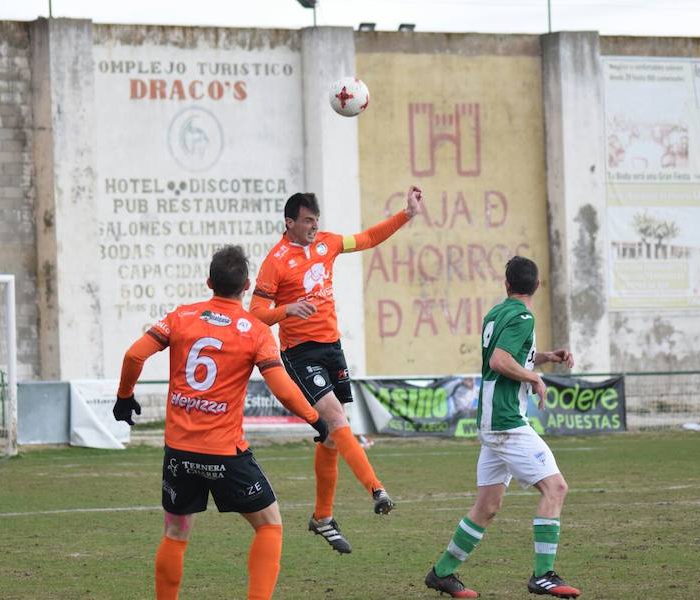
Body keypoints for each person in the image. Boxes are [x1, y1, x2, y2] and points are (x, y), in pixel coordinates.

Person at [113, 245, 329, 600]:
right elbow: (281, 388)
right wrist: (314, 419)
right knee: (270, 525)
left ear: (209, 281)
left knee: (176, 533)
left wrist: (124, 395)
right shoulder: (256, 331)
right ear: (246, 286)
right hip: (225, 454)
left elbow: (134, 354)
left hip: (179, 451)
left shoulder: (181, 317)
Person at [249, 187, 423, 553]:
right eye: (308, 220)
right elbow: (256, 313)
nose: (314, 226)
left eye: (316, 220)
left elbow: (368, 238)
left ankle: (323, 518)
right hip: (299, 353)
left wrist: (406, 215)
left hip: (332, 347)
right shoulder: (275, 261)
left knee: (330, 434)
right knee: (337, 421)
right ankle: (377, 489)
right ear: (290, 222)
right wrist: (287, 310)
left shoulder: (329, 243)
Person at [424, 256, 581, 599]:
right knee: (555, 488)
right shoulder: (524, 317)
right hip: (507, 421)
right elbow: (500, 361)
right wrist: (534, 377)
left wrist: (546, 357)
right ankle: (543, 575)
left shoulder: (497, 314)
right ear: (537, 286)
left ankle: (442, 573)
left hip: (492, 421)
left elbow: (510, 354)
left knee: (487, 506)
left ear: (507, 285)